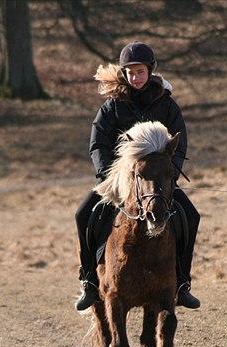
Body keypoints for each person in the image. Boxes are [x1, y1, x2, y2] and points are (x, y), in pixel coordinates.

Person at [74, 41, 201, 311]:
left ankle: (182, 283)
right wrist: (110, 176)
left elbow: (180, 143)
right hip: (119, 185)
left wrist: (169, 175)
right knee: (83, 214)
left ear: (150, 70)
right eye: (130, 72)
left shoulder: (167, 106)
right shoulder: (112, 107)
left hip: (158, 184)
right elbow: (97, 144)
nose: (135, 77)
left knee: (191, 216)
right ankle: (89, 282)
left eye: (140, 71)